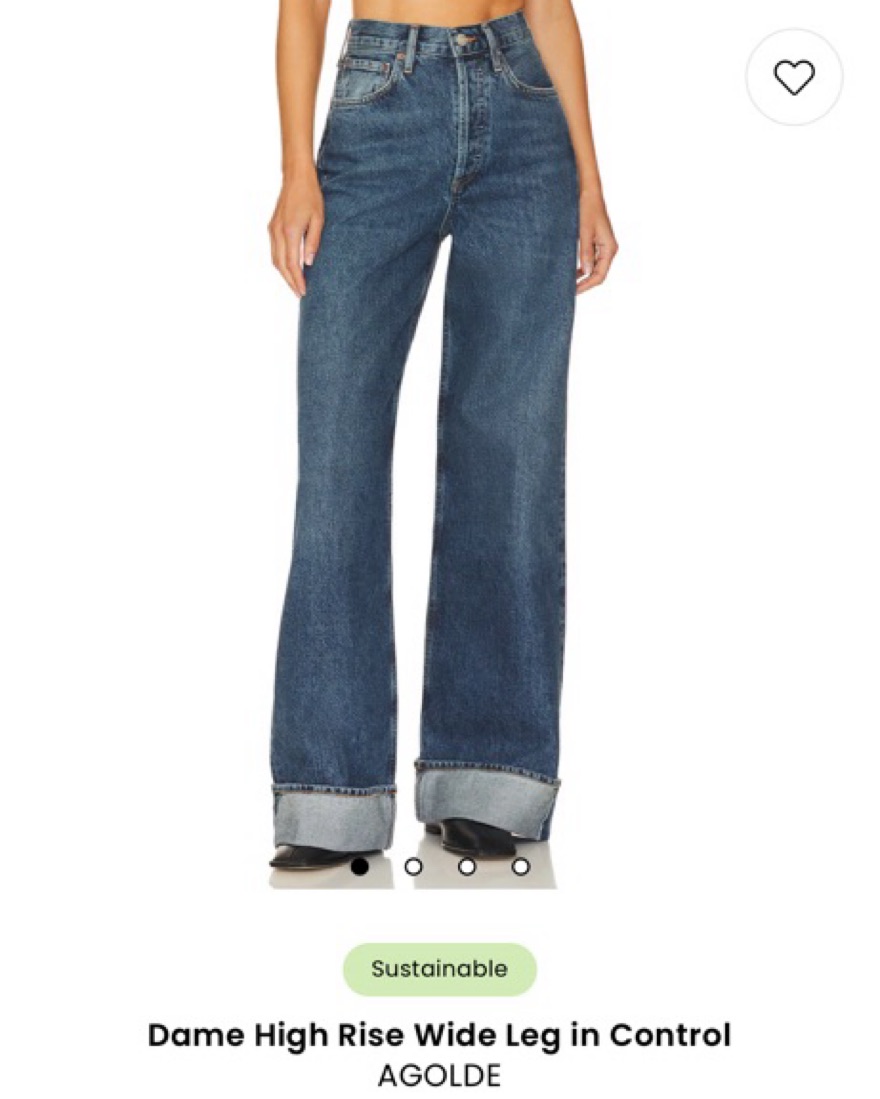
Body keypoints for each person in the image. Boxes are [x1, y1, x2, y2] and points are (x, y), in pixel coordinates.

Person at [267, 0, 618, 869]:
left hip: (525, 105)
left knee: (512, 457)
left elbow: (551, 6)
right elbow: (302, 6)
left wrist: (590, 177)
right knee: (339, 457)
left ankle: (487, 778)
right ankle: (330, 793)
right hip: (381, 105)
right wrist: (296, 168)